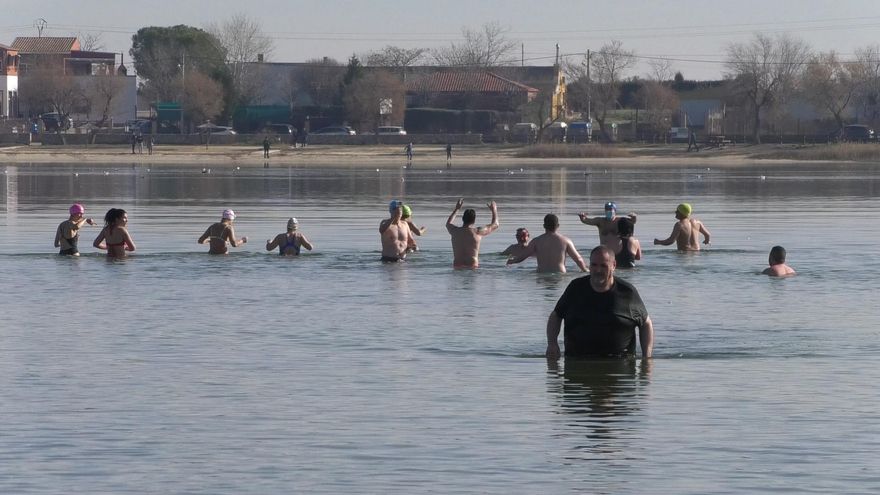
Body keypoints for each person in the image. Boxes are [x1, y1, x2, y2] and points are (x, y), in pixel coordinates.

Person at [546, 245, 654, 359]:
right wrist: (552, 344)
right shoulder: (575, 288)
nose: (598, 270)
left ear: (613, 266)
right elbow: (556, 315)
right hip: (577, 363)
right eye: (594, 265)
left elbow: (646, 323)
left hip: (620, 366)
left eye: (603, 266)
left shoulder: (627, 292)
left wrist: (647, 357)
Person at [507, 214, 587, 273]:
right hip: (559, 274)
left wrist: (512, 261)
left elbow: (522, 256)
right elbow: (578, 259)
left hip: (541, 274)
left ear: (544, 226)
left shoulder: (536, 241)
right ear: (558, 226)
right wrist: (585, 270)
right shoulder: (566, 241)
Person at [446, 198, 499, 269]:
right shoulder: (478, 232)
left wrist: (457, 209)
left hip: (457, 263)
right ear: (474, 220)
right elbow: (495, 224)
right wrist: (494, 210)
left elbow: (448, 223)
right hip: (472, 263)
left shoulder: (454, 231)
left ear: (463, 219)